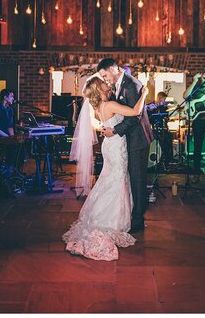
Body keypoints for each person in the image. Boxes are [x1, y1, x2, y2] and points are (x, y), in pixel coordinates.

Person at [64, 75, 148, 261]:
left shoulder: (99, 106)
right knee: (117, 179)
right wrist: (144, 94)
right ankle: (111, 219)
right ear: (98, 88)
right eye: (102, 82)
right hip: (116, 146)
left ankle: (103, 215)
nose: (105, 82)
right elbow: (135, 111)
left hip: (111, 145)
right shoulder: (109, 105)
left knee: (110, 178)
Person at [97, 58, 153, 233]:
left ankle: (137, 220)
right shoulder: (119, 84)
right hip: (127, 139)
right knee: (130, 177)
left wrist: (114, 131)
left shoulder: (132, 84)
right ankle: (130, 214)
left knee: (137, 179)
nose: (105, 79)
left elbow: (135, 116)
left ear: (113, 69)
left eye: (105, 75)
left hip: (137, 140)